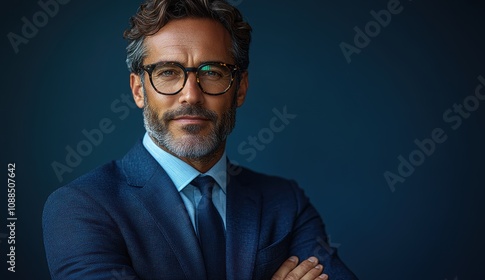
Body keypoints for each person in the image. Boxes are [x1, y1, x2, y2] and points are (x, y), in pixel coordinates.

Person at [42, 0, 358, 279]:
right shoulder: (81, 207)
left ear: (241, 88)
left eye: (212, 72)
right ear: (139, 90)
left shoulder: (285, 202)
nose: (191, 95)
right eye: (167, 72)